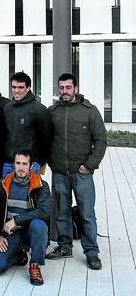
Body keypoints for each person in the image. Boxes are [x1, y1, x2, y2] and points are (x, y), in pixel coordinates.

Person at [46, 73, 107, 270]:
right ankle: (64, 246)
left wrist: (89, 165)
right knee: (62, 212)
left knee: (87, 213)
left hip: (82, 173)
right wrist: (50, 162)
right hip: (59, 172)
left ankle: (92, 252)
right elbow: (45, 138)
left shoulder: (89, 111)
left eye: (68, 87)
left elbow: (101, 141)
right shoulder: (52, 111)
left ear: (76, 88)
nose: (64, 91)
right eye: (61, 88)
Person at [0, 151, 51, 285]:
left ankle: (35, 265)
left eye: (24, 164)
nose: (21, 168)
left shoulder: (41, 185)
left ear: (31, 165)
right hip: (12, 234)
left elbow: (45, 211)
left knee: (39, 225)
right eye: (18, 163)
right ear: (13, 165)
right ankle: (18, 254)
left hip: (30, 232)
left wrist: (17, 220)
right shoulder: (3, 184)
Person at [2, 71, 52, 176]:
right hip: (7, 165)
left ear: (28, 88)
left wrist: (39, 161)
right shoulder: (6, 109)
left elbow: (47, 139)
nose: (16, 91)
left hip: (29, 165)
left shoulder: (40, 110)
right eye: (14, 87)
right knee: (6, 193)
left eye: (20, 87)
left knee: (30, 193)